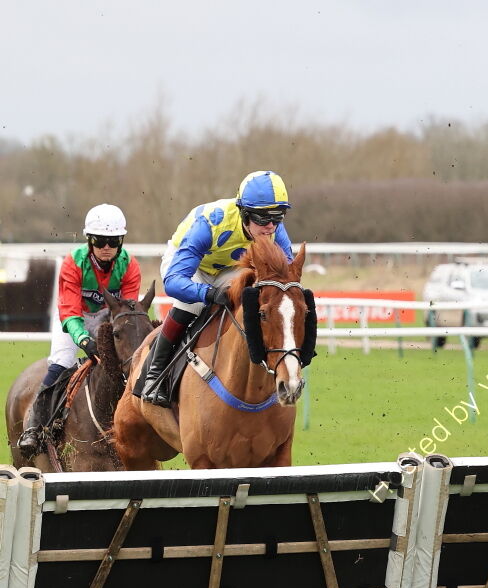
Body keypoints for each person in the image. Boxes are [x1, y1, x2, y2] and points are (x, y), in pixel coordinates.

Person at [139, 170, 294, 407]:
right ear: (244, 213)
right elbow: (173, 282)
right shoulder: (210, 223)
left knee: (255, 298)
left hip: (228, 268)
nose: (271, 226)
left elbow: (288, 279)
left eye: (278, 216)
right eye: (262, 218)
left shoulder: (274, 231)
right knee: (191, 303)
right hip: (189, 265)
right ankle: (153, 375)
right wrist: (208, 293)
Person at [17, 204, 141, 455]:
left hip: (109, 318)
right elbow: (70, 311)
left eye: (113, 241)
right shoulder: (73, 262)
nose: (106, 247)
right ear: (89, 240)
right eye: (100, 240)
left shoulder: (130, 266)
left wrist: (107, 340)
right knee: (62, 361)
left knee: (129, 362)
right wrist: (84, 341)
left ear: (121, 241)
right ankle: (35, 427)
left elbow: (127, 314)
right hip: (74, 317)